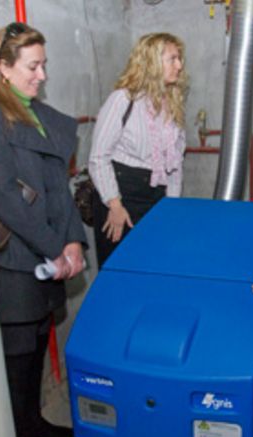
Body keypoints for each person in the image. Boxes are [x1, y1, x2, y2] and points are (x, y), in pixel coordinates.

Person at [0, 22, 86, 437]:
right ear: (3, 68)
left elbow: (59, 185)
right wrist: (55, 247)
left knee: (40, 338)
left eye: (43, 65)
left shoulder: (34, 113)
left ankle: (35, 420)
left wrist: (74, 239)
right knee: (17, 352)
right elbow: (2, 194)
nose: (41, 75)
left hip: (49, 248)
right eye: (32, 66)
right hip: (18, 258)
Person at [89, 32, 187, 267]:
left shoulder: (171, 104)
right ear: (152, 62)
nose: (179, 65)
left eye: (179, 58)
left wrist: (171, 207)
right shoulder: (122, 99)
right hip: (121, 194)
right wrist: (114, 205)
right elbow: (98, 157)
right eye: (172, 59)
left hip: (155, 197)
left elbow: (175, 164)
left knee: (154, 266)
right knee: (119, 269)